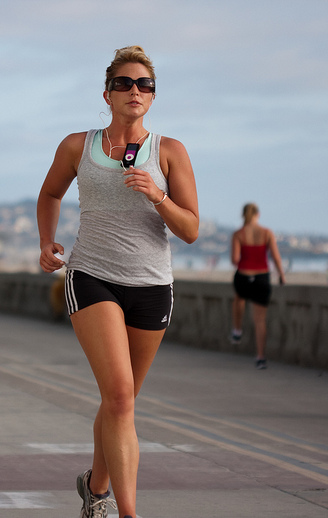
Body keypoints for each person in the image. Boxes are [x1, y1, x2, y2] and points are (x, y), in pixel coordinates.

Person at [37, 45, 198, 518]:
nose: (134, 91)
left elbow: (189, 229)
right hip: (92, 276)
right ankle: (126, 512)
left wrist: (158, 195)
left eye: (144, 84)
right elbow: (49, 193)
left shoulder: (169, 151)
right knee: (121, 396)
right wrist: (47, 242)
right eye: (124, 83)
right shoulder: (77, 146)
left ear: (153, 96)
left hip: (151, 285)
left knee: (119, 403)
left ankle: (96, 485)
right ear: (106, 94)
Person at [230, 203, 286, 369]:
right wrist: (282, 275)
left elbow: (234, 259)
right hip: (262, 278)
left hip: (243, 276)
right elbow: (276, 257)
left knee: (239, 299)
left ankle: (237, 331)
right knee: (260, 320)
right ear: (258, 214)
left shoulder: (238, 234)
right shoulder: (267, 233)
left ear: (243, 215)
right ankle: (260, 357)